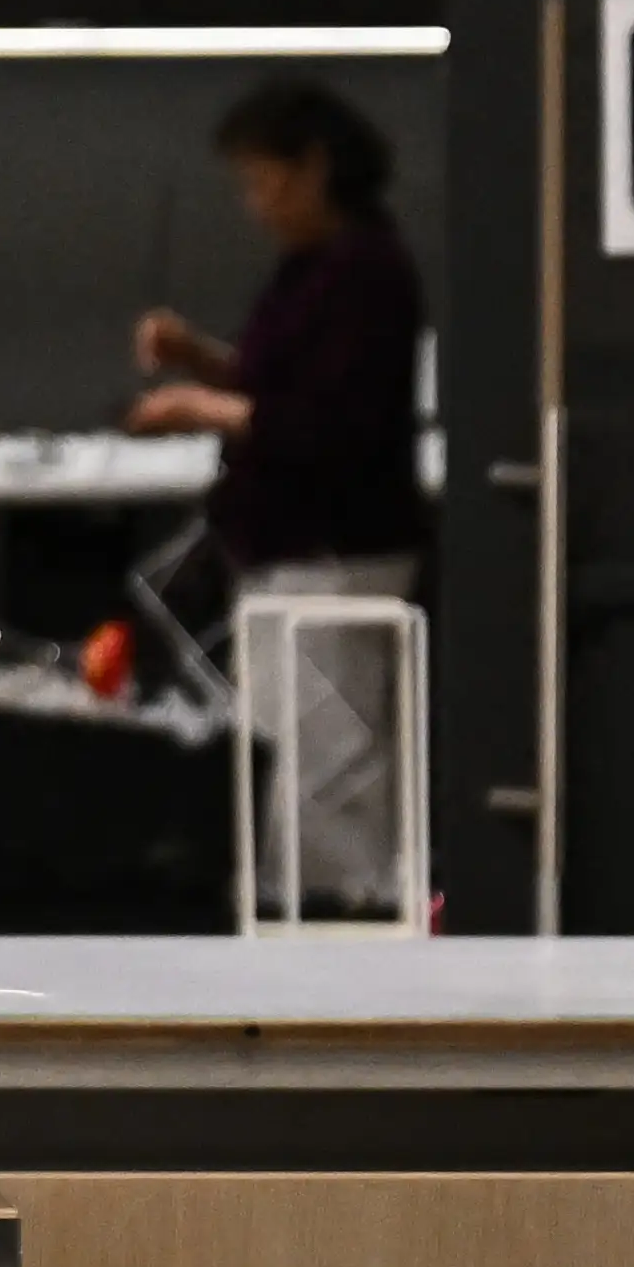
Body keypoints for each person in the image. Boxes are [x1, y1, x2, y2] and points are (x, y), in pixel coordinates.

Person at [130, 74, 430, 905]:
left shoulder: (368, 274)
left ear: (314, 167)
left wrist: (202, 406)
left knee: (327, 773)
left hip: (334, 554)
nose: (255, 203)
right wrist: (197, 356)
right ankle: (299, 920)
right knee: (284, 764)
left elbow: (328, 420)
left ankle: (345, 927)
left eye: (264, 180)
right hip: (287, 558)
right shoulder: (312, 271)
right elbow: (276, 382)